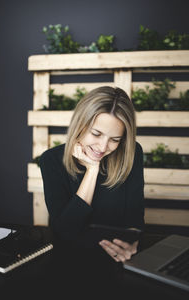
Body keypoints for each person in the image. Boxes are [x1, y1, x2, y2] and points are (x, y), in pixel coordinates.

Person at [39, 86, 145, 296]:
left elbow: (135, 219)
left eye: (115, 139)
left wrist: (133, 243)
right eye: (96, 134)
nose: (103, 147)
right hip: (68, 267)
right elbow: (66, 229)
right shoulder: (51, 160)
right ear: (81, 125)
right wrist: (92, 170)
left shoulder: (132, 153)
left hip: (116, 264)